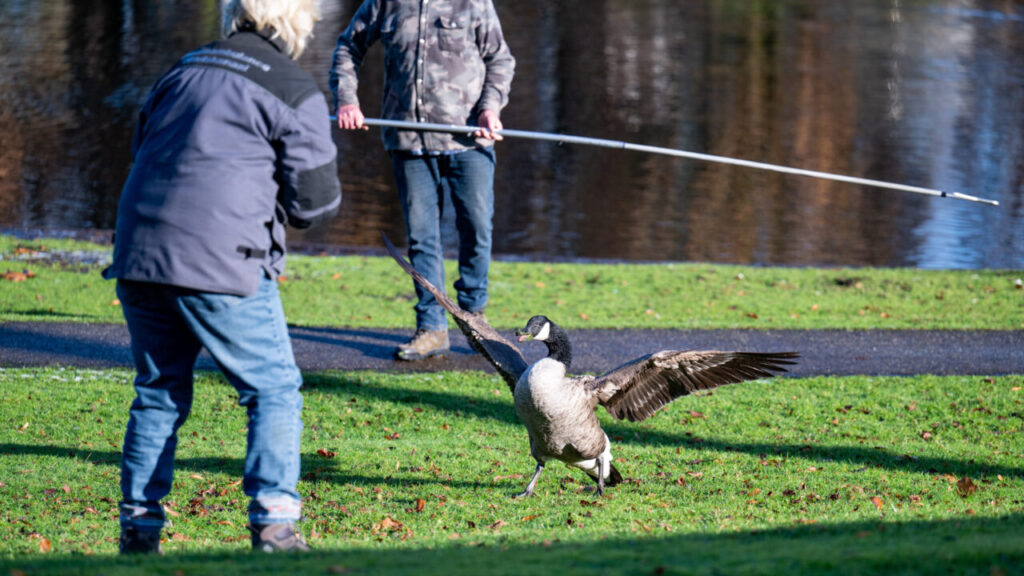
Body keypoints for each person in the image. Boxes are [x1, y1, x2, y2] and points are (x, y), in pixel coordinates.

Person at [102, 0, 341, 554]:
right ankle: (275, 526)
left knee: (159, 391)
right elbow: (316, 203)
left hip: (140, 252)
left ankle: (138, 529)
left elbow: (143, 150)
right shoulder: (292, 87)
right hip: (220, 258)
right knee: (274, 389)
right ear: (296, 16)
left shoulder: (182, 70)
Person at [330, 0, 515, 360]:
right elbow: (347, 46)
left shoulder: (474, 3)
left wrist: (490, 107)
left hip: (469, 140)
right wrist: (347, 100)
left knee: (477, 228)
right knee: (421, 238)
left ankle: (474, 317)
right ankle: (432, 328)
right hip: (408, 142)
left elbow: (500, 59)